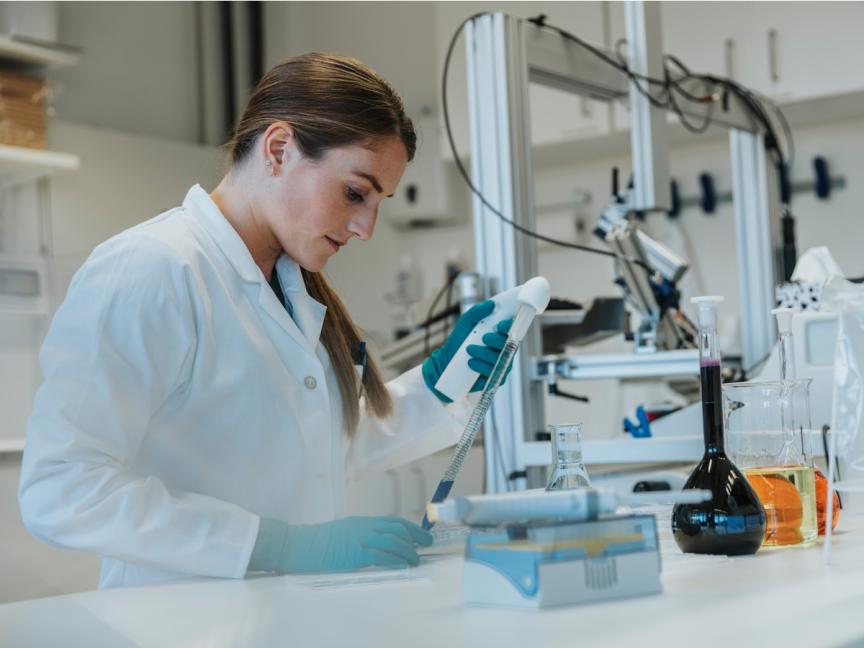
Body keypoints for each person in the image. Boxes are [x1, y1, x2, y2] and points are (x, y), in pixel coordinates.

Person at [18, 53, 513, 588]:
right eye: (355, 192)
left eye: (379, 202)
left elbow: (313, 447)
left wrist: (439, 386)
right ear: (279, 149)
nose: (367, 227)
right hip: (179, 624)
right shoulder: (153, 269)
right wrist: (269, 543)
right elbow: (61, 489)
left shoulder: (290, 285)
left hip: (288, 617)